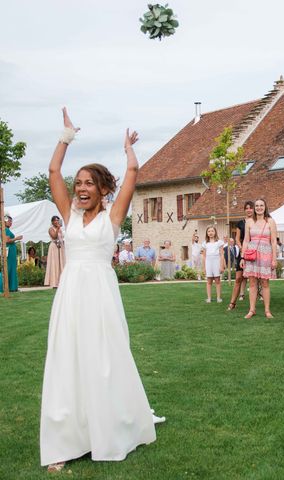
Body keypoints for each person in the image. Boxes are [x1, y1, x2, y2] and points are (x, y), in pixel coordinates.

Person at [41, 107, 158, 472]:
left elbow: (134, 174)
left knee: (105, 361)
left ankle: (109, 429)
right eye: (79, 184)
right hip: (71, 294)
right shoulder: (69, 213)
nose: (80, 188)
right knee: (67, 360)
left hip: (102, 297)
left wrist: (128, 150)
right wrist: (66, 137)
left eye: (89, 183)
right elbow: (53, 172)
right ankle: (64, 440)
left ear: (103, 188)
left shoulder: (113, 217)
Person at [240, 198, 277, 318]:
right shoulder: (249, 222)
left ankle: (267, 310)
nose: (259, 207)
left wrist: (274, 258)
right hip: (252, 254)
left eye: (261, 205)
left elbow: (273, 242)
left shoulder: (270, 221)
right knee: (252, 283)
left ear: (265, 207)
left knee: (265, 283)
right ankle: (252, 309)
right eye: (257, 206)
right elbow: (246, 240)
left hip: (266, 254)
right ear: (254, 208)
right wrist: (242, 257)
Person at [228, 201, 254, 310]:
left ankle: (254, 305)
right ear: (244, 210)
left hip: (254, 251)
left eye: (250, 208)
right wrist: (241, 247)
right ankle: (232, 303)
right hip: (243, 252)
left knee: (254, 278)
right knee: (238, 278)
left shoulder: (258, 222)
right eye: (246, 208)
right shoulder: (240, 223)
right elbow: (237, 238)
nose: (248, 210)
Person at [202, 225, 225, 303]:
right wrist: (204, 267)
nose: (210, 233)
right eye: (209, 231)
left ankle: (218, 297)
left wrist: (221, 266)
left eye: (212, 231)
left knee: (217, 280)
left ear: (215, 232)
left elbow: (222, 255)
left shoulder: (219, 242)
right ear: (207, 233)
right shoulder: (205, 243)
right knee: (209, 280)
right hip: (208, 262)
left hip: (216, 262)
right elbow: (204, 256)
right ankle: (209, 298)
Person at [0, 215, 22, 293]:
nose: (11, 222)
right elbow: (7, 241)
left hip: (11, 251)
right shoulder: (5, 230)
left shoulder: (6, 230)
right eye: (9, 221)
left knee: (12, 268)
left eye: (11, 221)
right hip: (9, 251)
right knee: (8, 268)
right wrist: (17, 238)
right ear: (5, 221)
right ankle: (6, 287)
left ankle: (12, 287)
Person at [44, 215, 66, 287]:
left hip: (60, 247)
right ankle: (54, 282)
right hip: (54, 247)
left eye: (58, 220)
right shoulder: (51, 229)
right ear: (52, 222)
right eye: (55, 220)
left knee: (61, 263)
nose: (57, 222)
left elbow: (61, 238)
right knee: (55, 264)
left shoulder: (60, 230)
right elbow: (54, 237)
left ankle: (61, 281)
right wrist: (58, 228)